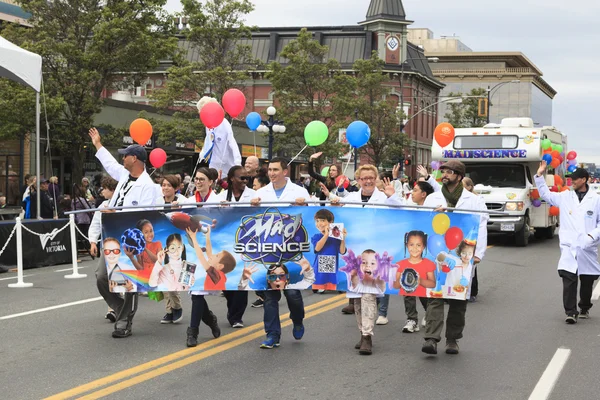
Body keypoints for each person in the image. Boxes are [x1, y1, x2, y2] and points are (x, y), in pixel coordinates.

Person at [89, 126, 161, 339]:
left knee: (128, 281)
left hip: (131, 239)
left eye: (126, 156)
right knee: (101, 277)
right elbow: (110, 164)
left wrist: (118, 212)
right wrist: (98, 145)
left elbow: (144, 215)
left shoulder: (149, 187)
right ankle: (122, 309)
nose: (122, 159)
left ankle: (123, 321)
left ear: (136, 159)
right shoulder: (124, 176)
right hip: (112, 235)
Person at [329, 164, 403, 354]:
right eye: (364, 178)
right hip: (354, 253)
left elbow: (402, 211)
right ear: (358, 180)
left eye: (371, 177)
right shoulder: (351, 198)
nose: (368, 181)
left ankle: (367, 336)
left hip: (375, 254)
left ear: (376, 178)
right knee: (357, 297)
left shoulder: (384, 197)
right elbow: (337, 218)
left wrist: (392, 196)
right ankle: (363, 331)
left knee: (369, 294)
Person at [420, 160, 488, 355]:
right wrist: (434, 215)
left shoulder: (473, 200)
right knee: (436, 295)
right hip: (438, 251)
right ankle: (431, 339)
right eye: (443, 171)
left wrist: (478, 253)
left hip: (463, 252)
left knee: (458, 299)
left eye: (449, 172)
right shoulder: (433, 198)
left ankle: (452, 339)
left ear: (458, 176)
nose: (445, 175)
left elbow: (480, 225)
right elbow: (423, 222)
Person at [250, 157, 311, 349]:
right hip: (269, 251)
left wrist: (305, 205)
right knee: (270, 295)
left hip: (291, 251)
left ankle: (298, 319)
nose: (272, 173)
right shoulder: (260, 193)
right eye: (269, 170)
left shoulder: (300, 192)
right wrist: (251, 205)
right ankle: (272, 334)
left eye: (275, 169)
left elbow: (310, 218)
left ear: (285, 171)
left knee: (292, 293)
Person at [535, 162, 600, 323]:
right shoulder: (565, 196)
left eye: (575, 179)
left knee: (587, 280)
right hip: (569, 246)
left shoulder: (596, 199)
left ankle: (584, 306)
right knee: (568, 278)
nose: (571, 182)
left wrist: (592, 236)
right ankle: (571, 312)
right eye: (570, 179)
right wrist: (539, 176)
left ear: (584, 180)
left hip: (587, 247)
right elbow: (546, 195)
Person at [214, 166, 257, 327]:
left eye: (247, 178)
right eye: (242, 178)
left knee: (242, 278)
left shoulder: (254, 196)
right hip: (226, 242)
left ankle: (236, 316)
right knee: (228, 278)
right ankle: (232, 308)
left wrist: (256, 206)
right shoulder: (220, 197)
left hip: (246, 242)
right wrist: (221, 210)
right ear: (232, 178)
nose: (245, 181)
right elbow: (212, 218)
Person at [88, 176, 119, 321]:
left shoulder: (121, 204)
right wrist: (93, 242)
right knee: (101, 276)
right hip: (105, 247)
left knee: (117, 278)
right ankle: (115, 305)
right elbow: (95, 224)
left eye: (104, 189)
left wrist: (114, 213)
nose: (102, 192)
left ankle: (114, 309)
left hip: (121, 248)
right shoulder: (102, 206)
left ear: (112, 190)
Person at [197, 96, 242, 176]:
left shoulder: (224, 123)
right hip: (214, 164)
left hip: (227, 165)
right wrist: (202, 154)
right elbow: (208, 140)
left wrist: (237, 162)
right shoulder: (208, 125)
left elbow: (232, 142)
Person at [462, 177, 483, 301]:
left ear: (469, 187)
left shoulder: (477, 200)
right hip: (460, 235)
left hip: (471, 236)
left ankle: (472, 292)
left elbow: (482, 220)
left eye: (463, 185)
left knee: (471, 266)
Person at [72, 184, 93, 249]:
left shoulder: (73, 200)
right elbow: (88, 208)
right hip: (84, 219)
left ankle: (80, 247)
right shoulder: (82, 200)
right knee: (86, 234)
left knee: (79, 234)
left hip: (76, 218)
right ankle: (86, 246)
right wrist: (91, 203)